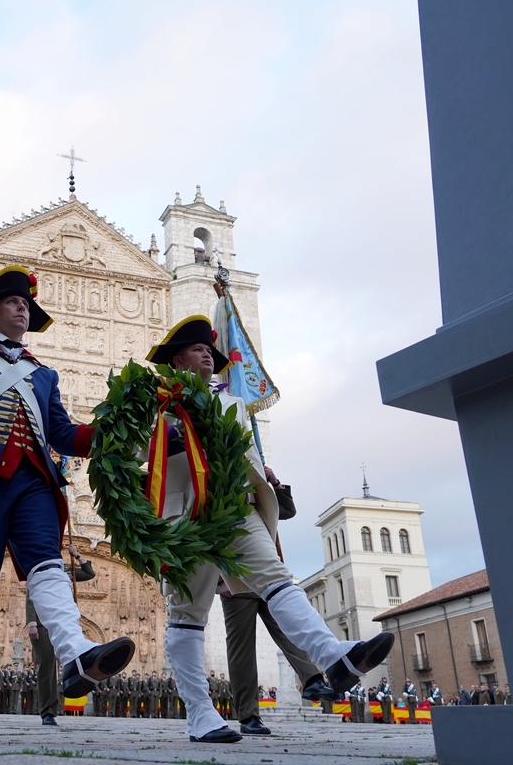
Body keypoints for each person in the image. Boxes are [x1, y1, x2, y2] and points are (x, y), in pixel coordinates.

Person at [149, 317, 394, 744]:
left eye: (210, 350)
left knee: (278, 581)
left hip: (235, 509)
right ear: (176, 360)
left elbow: (244, 455)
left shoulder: (233, 405)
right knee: (187, 616)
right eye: (196, 349)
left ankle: (331, 656)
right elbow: (138, 456)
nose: (208, 354)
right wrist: (167, 436)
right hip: (185, 518)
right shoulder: (155, 403)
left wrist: (262, 476)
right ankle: (201, 715)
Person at [0, 266, 135, 742]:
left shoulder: (44, 374)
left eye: (27, 305)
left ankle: (78, 650)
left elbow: (61, 432)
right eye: (14, 302)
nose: (23, 308)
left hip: (36, 481)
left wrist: (115, 429)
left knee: (48, 564)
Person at [220, 577, 336, 735]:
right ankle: (248, 716)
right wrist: (221, 580)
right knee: (242, 650)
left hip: (269, 582)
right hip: (236, 584)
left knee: (289, 632)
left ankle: (312, 680)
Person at [25, 542, 96, 726]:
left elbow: (89, 574)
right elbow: (31, 594)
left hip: (62, 619)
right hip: (42, 622)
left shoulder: (65, 569)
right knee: (47, 664)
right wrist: (31, 622)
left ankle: (70, 695)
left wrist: (78, 555)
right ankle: (47, 712)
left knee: (73, 655)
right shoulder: (39, 566)